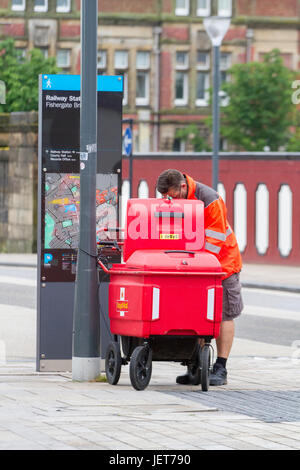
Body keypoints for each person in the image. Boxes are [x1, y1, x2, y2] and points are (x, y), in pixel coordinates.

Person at [156, 169, 244, 386]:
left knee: (224, 314)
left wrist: (198, 263)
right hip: (192, 265)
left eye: (172, 196)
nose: (170, 200)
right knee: (195, 315)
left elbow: (215, 239)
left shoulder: (210, 199)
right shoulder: (177, 198)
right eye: (166, 197)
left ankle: (221, 368)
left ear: (183, 187)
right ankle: (197, 366)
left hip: (223, 265)